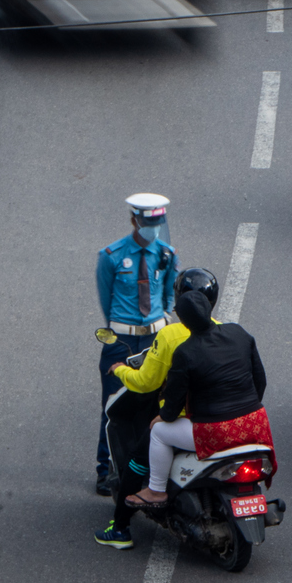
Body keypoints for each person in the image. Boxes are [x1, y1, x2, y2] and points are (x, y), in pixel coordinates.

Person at [93, 268, 219, 550]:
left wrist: (122, 371)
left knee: (139, 457)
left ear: (179, 299)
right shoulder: (223, 330)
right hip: (225, 420)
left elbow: (146, 382)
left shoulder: (173, 335)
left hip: (188, 421)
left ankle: (121, 528)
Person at [126, 289, 271, 508]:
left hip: (217, 433)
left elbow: (173, 403)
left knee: (158, 433)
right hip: (256, 424)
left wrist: (162, 417)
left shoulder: (186, 352)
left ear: (183, 322)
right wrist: (245, 411)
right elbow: (260, 380)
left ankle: (155, 490)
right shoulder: (239, 333)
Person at [94, 194, 179, 496]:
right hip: (123, 338)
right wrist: (120, 327)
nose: (153, 229)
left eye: (157, 223)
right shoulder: (112, 256)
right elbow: (107, 299)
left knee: (155, 402)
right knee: (113, 405)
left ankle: (146, 470)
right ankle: (105, 470)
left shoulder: (167, 254)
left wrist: (161, 321)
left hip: (155, 337)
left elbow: (170, 293)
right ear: (134, 220)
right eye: (147, 223)